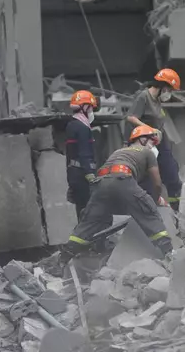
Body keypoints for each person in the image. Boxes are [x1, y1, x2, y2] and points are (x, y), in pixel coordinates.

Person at [64, 125, 174, 257]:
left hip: (100, 183)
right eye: (152, 142)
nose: (153, 146)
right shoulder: (147, 153)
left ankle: (63, 258)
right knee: (148, 211)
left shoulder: (118, 152)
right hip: (122, 178)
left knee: (90, 221)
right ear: (143, 139)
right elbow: (157, 184)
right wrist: (155, 200)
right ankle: (170, 253)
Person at [126, 68, 183, 211]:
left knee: (171, 171)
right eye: (169, 89)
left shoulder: (157, 101)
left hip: (159, 141)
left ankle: (177, 207)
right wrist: (149, 130)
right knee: (148, 178)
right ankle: (148, 207)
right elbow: (131, 117)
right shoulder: (143, 97)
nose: (169, 93)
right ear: (162, 86)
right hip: (146, 141)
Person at [65, 90, 98, 220]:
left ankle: (82, 237)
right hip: (82, 173)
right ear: (83, 107)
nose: (91, 111)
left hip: (74, 172)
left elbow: (70, 152)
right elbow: (84, 152)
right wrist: (90, 174)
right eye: (90, 107)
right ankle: (86, 238)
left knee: (81, 210)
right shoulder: (83, 127)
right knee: (87, 211)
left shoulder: (71, 125)